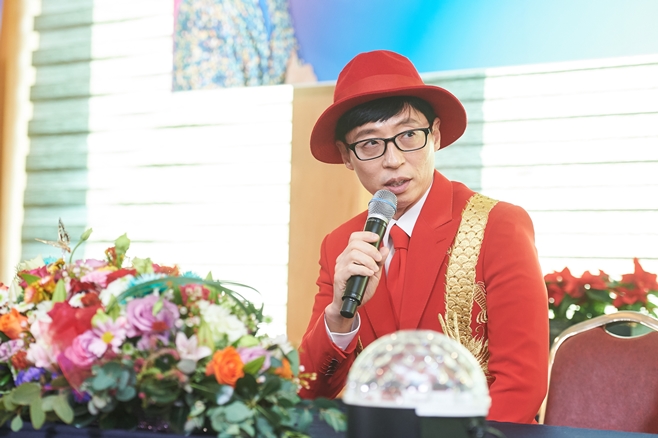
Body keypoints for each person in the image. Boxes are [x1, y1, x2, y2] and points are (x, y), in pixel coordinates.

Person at [298, 50, 549, 424]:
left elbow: (522, 383)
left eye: (408, 135)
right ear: (346, 156)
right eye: (370, 143)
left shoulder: (499, 226)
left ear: (436, 135)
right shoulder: (341, 244)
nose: (393, 160)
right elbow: (308, 390)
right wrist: (338, 316)